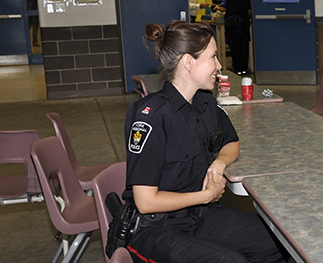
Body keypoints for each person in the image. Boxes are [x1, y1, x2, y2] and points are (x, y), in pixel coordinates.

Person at [122, 21, 286, 263]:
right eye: (213, 57)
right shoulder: (152, 116)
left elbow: (232, 142)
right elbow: (146, 203)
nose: (219, 66)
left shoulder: (205, 103)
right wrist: (204, 196)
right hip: (156, 229)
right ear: (188, 62)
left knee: (277, 241)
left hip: (199, 217)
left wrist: (219, 164)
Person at [217, 0, 252, 75]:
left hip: (232, 23)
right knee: (244, 45)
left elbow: (223, 8)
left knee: (234, 45)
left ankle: (237, 67)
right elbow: (249, 11)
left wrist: (217, 7)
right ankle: (244, 67)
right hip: (243, 22)